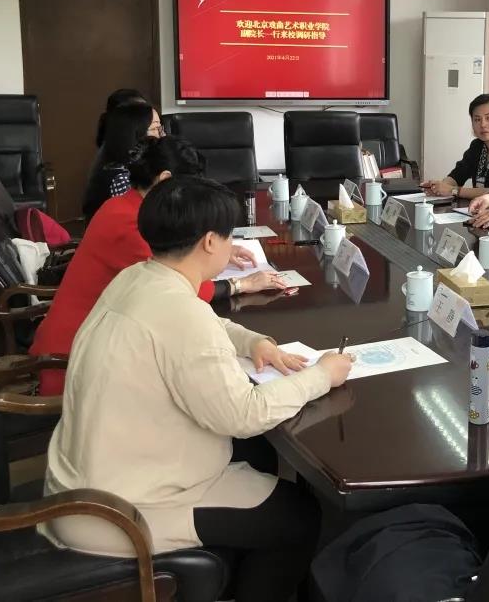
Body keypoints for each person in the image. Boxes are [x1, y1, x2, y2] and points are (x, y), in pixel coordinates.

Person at [44, 176, 352, 602]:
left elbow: (205, 321)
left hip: (89, 478)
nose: (230, 245)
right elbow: (244, 414)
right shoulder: (179, 312)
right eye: (228, 236)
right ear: (209, 242)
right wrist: (322, 376)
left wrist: (253, 341)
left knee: (258, 454)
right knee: (298, 516)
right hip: (120, 509)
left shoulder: (138, 277)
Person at [31, 136, 286, 395]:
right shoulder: (132, 225)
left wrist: (220, 248)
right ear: (165, 180)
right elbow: (180, 287)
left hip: (96, 341)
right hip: (73, 361)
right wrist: (241, 284)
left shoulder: (124, 205)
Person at [421, 94, 489, 200]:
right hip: (482, 208)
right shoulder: (477, 146)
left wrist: (452, 190)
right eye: (477, 119)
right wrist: (438, 187)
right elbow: (458, 174)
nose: (483, 124)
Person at [82, 102, 163, 218]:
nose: (162, 135)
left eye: (160, 128)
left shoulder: (133, 163)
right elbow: (138, 219)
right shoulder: (122, 176)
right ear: (133, 133)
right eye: (155, 128)